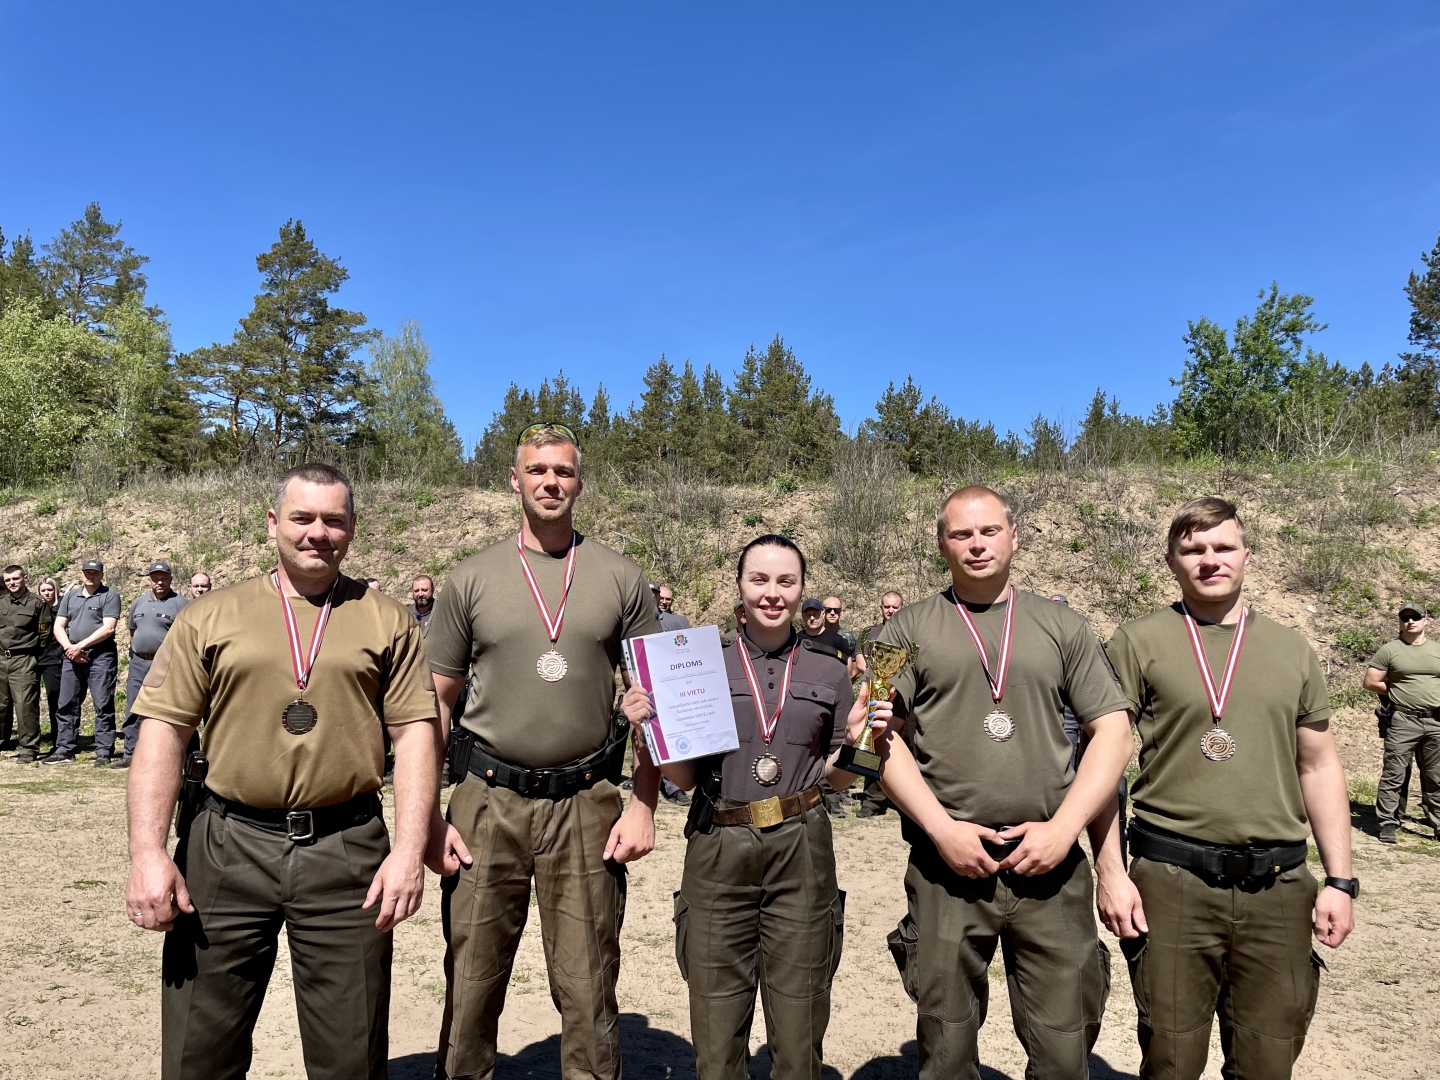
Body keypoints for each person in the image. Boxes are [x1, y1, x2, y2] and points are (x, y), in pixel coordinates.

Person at [123, 462, 441, 1080]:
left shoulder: (388, 619)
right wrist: (147, 853)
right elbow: (163, 733)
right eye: (302, 517)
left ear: (352, 528)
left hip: (346, 852)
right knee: (198, 1054)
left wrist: (407, 850)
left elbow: (415, 736)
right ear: (273, 523)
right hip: (225, 847)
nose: (317, 532)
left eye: (333, 520)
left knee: (351, 1057)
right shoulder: (210, 616)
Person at [424, 422, 661, 1080]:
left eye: (563, 471)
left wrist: (644, 805)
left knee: (589, 986)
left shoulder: (620, 576)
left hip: (586, 804)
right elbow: (434, 703)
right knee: (471, 982)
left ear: (580, 483)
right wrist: (429, 818)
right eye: (536, 470)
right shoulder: (471, 578)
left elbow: (656, 699)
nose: (550, 482)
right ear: (514, 480)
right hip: (486, 802)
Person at [876, 485, 1133, 1080]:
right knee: (946, 1050)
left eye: (989, 531)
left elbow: (1114, 735)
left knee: (1065, 1051)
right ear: (941, 544)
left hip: (1051, 867)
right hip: (947, 869)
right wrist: (942, 830)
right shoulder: (901, 631)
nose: (976, 544)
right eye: (961, 534)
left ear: (1014, 537)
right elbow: (874, 739)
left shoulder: (1063, 624)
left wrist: (1064, 831)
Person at [1096, 497, 1356, 1080]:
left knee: (1269, 1061)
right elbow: (1102, 766)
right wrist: (1110, 872)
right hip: (1173, 882)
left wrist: (1340, 881)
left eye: (1223, 547)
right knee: (1171, 1059)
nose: (1210, 560)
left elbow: (1318, 766)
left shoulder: (1292, 649)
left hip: (1278, 887)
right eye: (1193, 549)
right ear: (1171, 561)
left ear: (1247, 555)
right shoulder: (1136, 642)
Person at [622, 533, 887, 1080]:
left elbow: (836, 778)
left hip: (801, 845)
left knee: (799, 1031)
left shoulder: (829, 671)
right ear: (739, 587)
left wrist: (862, 742)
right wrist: (650, 729)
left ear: (802, 590)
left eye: (786, 582)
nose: (772, 593)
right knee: (717, 1039)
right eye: (759, 580)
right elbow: (686, 779)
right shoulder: (699, 664)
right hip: (719, 842)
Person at [1364, 601, 1440, 843]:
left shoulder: (1436, 650)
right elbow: (1370, 681)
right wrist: (1397, 692)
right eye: (1405, 618)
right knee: (1394, 773)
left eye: (1415, 617)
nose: (1410, 621)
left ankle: (1437, 822)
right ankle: (1388, 822)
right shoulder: (1390, 650)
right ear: (1400, 622)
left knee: (1436, 776)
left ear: (1425, 620)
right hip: (1403, 720)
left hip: (1435, 721)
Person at [44, 559, 121, 765]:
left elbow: (108, 628)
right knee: (66, 703)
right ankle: (65, 748)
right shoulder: (71, 596)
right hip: (72, 656)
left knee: (103, 703)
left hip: (100, 656)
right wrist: (70, 648)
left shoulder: (109, 595)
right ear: (81, 574)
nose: (90, 576)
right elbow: (58, 626)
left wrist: (80, 646)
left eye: (95, 573)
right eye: (87, 572)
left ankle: (103, 751)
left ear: (101, 575)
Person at [118, 561, 189, 769]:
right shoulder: (139, 602)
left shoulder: (181, 603)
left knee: (166, 709)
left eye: (163, 578)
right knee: (133, 707)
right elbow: (132, 630)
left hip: (166, 663)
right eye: (155, 578)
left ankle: (169, 753)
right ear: (149, 581)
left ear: (170, 579)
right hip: (139, 661)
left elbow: (185, 636)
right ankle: (131, 753)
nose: (159, 582)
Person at [800, 598, 853, 818]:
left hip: (833, 701)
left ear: (822, 615)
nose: (812, 617)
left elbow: (847, 672)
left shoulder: (837, 641)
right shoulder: (796, 640)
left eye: (816, 613)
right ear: (803, 616)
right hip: (806, 702)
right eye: (808, 614)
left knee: (835, 747)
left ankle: (835, 797)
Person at [857, 590, 904, 819]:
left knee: (909, 749)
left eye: (895, 607)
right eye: (887, 606)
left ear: (902, 608)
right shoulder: (871, 633)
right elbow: (861, 662)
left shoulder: (910, 631)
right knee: (874, 743)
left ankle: (906, 801)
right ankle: (872, 801)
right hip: (877, 696)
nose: (891, 610)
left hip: (904, 698)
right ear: (881, 608)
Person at [0, 565, 45, 763]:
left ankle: (28, 748)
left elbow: (44, 634)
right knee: (1, 704)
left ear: (25, 578)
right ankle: (2, 740)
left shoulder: (37, 603)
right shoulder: (1, 602)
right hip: (1, 659)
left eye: (15, 579)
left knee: (25, 705)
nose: (12, 583)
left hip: (24, 660)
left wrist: (32, 654)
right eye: (8, 580)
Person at [36, 578, 64, 750]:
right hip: (35, 658)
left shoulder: (62, 608)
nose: (47, 593)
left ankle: (58, 739)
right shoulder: (36, 608)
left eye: (50, 590)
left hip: (54, 659)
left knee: (55, 699)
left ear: (56, 590)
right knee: (30, 701)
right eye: (43, 590)